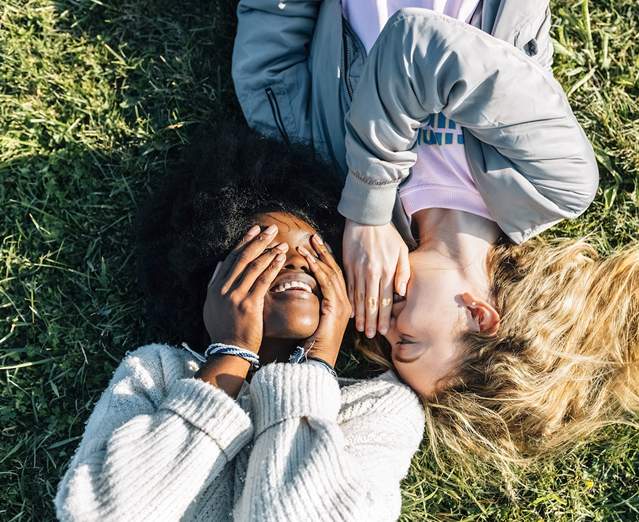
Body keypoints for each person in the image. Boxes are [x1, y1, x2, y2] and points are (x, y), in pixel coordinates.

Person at [233, 0, 639, 480]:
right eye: (408, 342)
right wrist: (370, 210)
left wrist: (356, 205)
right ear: (479, 314)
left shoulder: (332, 185)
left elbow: (268, 70)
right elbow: (413, 42)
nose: (383, 329)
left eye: (390, 347)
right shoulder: (555, 184)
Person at [54, 124, 425, 521]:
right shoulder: (155, 373)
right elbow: (95, 513)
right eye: (265, 251)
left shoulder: (379, 409)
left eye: (315, 250)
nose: (297, 261)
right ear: (213, 281)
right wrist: (231, 355)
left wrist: (315, 369)